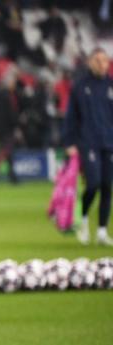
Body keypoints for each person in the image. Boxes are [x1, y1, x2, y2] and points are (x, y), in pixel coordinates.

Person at [64, 48, 113, 246]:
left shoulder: (111, 85)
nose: (102, 64)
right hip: (88, 142)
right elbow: (71, 117)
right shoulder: (80, 86)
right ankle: (83, 220)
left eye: (105, 61)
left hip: (109, 142)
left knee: (107, 186)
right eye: (98, 60)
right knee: (93, 184)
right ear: (90, 62)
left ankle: (102, 231)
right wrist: (69, 142)